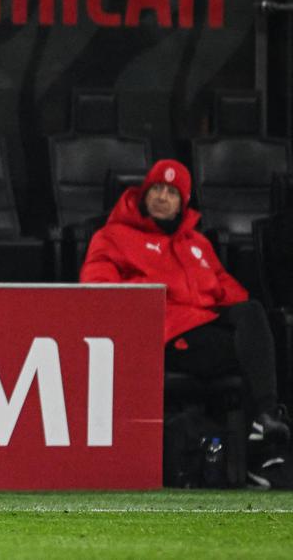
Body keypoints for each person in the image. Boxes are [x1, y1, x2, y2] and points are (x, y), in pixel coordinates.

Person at [80, 159, 291, 487]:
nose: (163, 197)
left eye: (172, 192)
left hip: (205, 324)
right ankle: (262, 447)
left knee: (257, 316)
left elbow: (228, 291)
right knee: (258, 358)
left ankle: (265, 419)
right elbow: (99, 290)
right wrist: (160, 294)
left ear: (184, 202)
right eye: (156, 189)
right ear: (144, 195)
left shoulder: (196, 243)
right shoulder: (114, 237)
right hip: (166, 334)